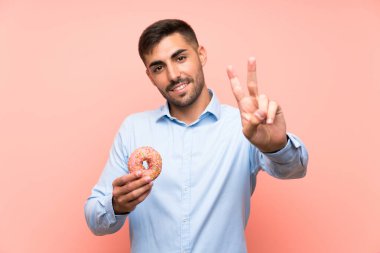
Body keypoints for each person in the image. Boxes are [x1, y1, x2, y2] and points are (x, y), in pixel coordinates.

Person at [84, 19, 308, 253]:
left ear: (201, 55)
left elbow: (294, 169)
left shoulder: (245, 126)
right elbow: (94, 219)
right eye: (158, 67)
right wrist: (116, 205)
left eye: (180, 58)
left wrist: (275, 146)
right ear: (150, 76)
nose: (173, 75)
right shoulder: (133, 129)